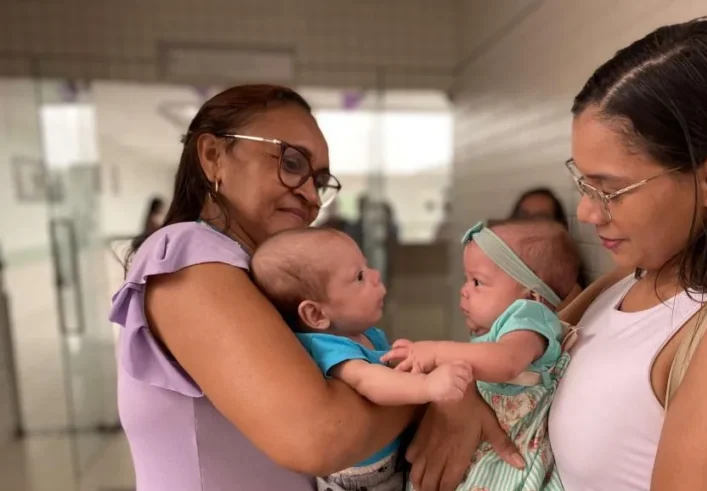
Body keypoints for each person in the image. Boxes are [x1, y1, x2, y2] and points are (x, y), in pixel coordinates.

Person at [405, 17, 707, 491]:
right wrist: (462, 399)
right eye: (583, 183)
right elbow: (513, 361)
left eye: (610, 190)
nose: (586, 212)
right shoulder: (626, 280)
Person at [109, 85, 526, 491]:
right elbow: (320, 435)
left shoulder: (254, 277)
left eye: (320, 180)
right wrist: (432, 396)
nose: (310, 195)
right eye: (291, 162)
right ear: (213, 156)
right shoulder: (187, 254)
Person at [250, 227, 474, 491]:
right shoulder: (328, 347)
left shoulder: (365, 334)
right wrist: (428, 386)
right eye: (359, 276)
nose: (375, 275)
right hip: (361, 480)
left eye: (366, 267)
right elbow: (370, 382)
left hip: (388, 456)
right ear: (316, 314)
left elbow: (389, 365)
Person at [382, 219, 580, 490]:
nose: (464, 290)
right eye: (467, 279)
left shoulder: (530, 317)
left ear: (531, 296)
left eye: (477, 282)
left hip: (507, 459)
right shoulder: (503, 330)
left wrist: (436, 352)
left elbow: (506, 362)